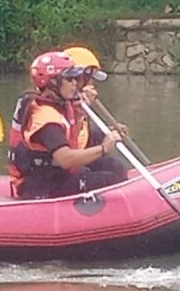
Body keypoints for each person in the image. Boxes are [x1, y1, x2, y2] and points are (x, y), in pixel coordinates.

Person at [7, 50, 126, 199]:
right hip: (39, 185)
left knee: (113, 166)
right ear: (53, 82)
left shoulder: (57, 105)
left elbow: (71, 140)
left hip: (54, 174)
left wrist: (80, 116)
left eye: (75, 78)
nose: (75, 83)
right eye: (69, 79)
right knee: (109, 180)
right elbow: (65, 159)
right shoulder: (44, 117)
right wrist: (104, 148)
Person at [64, 46, 127, 182]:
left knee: (114, 166)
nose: (91, 83)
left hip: (75, 159)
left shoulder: (77, 102)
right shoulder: (58, 105)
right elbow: (67, 143)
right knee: (109, 177)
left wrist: (108, 132)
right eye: (89, 78)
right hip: (58, 169)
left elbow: (83, 139)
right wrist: (79, 110)